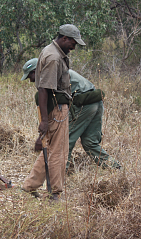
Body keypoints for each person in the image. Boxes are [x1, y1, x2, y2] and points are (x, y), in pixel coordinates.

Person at [21, 59, 121, 175]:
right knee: (89, 142)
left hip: (84, 105)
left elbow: (48, 111)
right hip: (96, 103)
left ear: (36, 71)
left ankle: (59, 178)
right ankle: (116, 169)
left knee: (63, 140)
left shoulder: (49, 78)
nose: (31, 80)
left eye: (30, 76)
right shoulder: (56, 72)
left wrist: (41, 136)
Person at [21, 24, 86, 200]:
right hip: (56, 109)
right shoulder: (54, 57)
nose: (74, 46)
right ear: (64, 38)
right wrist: (44, 120)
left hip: (55, 108)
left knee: (49, 150)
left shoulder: (54, 52)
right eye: (73, 42)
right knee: (58, 153)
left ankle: (30, 186)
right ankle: (55, 193)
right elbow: (43, 89)